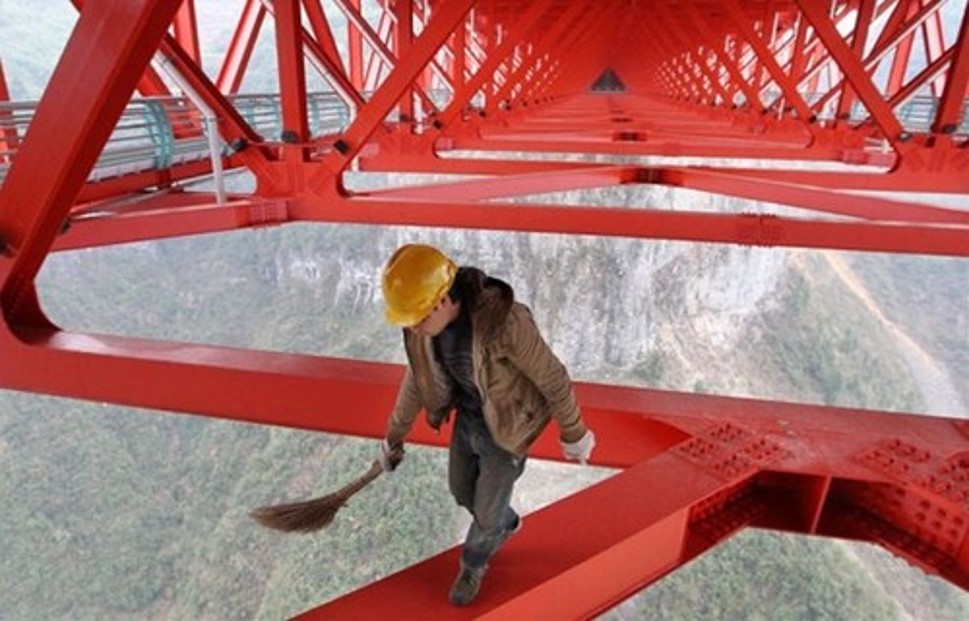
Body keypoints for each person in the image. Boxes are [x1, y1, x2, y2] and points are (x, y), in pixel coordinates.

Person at [376, 243, 596, 606]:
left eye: (418, 317)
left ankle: (473, 565)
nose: (413, 327)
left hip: (507, 429)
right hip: (469, 419)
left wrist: (574, 432)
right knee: (461, 490)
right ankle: (504, 523)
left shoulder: (505, 323)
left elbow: (553, 378)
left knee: (486, 513)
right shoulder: (424, 333)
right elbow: (417, 381)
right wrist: (393, 437)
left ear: (442, 300)